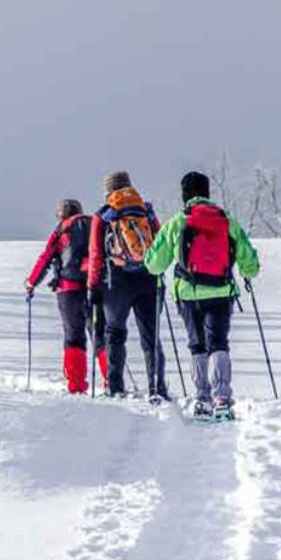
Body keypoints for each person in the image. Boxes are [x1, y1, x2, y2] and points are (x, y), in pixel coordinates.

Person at [146, 171, 260, 420]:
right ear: (207, 192)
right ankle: (222, 397)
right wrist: (247, 273)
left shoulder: (178, 222)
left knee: (197, 344)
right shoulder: (226, 220)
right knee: (219, 342)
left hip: (188, 294)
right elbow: (249, 259)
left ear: (184, 194)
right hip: (221, 291)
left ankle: (202, 398)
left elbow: (154, 264)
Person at [86, 171, 171, 403]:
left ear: (107, 192)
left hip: (116, 282)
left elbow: (95, 253)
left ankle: (115, 387)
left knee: (114, 333)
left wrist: (93, 286)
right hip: (148, 279)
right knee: (150, 336)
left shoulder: (103, 216)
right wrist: (160, 275)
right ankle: (157, 388)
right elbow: (160, 243)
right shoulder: (146, 210)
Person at [25, 199, 106, 394]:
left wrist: (31, 283)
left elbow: (46, 258)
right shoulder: (95, 225)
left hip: (68, 290)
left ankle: (76, 384)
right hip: (95, 286)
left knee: (73, 336)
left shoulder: (62, 230)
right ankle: (112, 379)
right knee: (100, 334)